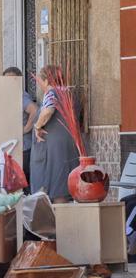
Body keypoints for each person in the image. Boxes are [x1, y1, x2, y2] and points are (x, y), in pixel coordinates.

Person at [30, 65, 80, 203]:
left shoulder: (52, 93)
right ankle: (64, 220)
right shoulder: (70, 93)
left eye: (40, 80)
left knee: (55, 188)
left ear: (46, 81)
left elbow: (48, 111)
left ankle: (57, 222)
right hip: (70, 144)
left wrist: (37, 125)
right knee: (64, 186)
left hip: (54, 150)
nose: (40, 84)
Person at [3, 67, 39, 193]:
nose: (9, 83)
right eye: (6, 80)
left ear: (19, 80)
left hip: (24, 148)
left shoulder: (20, 95)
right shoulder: (9, 96)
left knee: (23, 183)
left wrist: (25, 129)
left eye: (12, 79)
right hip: (17, 147)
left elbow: (34, 110)